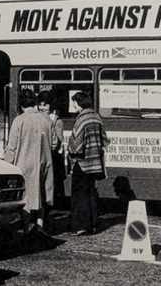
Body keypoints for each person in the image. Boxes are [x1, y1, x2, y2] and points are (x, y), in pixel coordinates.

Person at [6, 89, 54, 234]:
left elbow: (12, 148)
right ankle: (40, 225)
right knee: (42, 194)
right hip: (44, 162)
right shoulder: (47, 119)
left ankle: (26, 227)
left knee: (25, 196)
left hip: (24, 163)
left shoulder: (19, 120)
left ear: (21, 105)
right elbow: (54, 143)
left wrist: (8, 167)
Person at [67, 92, 109, 236]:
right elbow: (105, 140)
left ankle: (81, 226)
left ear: (78, 103)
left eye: (74, 103)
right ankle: (92, 225)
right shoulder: (96, 117)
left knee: (79, 195)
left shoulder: (82, 118)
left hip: (83, 162)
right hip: (95, 162)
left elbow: (75, 146)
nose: (73, 105)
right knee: (91, 193)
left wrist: (70, 151)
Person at [38, 90, 66, 207]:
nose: (42, 107)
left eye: (45, 105)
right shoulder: (37, 118)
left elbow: (57, 143)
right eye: (40, 104)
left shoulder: (57, 121)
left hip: (51, 158)